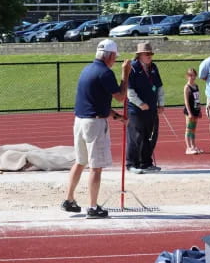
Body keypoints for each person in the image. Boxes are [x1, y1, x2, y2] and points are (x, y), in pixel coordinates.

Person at [61, 39, 131, 219]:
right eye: (115, 57)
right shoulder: (105, 73)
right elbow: (120, 97)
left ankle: (69, 199)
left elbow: (97, 102)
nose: (115, 60)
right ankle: (92, 207)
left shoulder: (87, 70)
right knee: (96, 166)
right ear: (110, 56)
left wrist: (117, 117)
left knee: (80, 161)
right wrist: (125, 74)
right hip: (94, 124)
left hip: (80, 121)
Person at [126, 41, 165, 174]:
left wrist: (161, 103)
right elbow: (129, 91)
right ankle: (132, 163)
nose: (149, 56)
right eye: (146, 54)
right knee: (136, 136)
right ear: (139, 55)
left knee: (151, 136)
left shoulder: (154, 67)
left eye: (150, 54)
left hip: (152, 109)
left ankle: (146, 162)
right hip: (136, 110)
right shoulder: (133, 68)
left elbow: (159, 87)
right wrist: (140, 104)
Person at [183, 67, 203, 154]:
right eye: (190, 75)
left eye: (194, 75)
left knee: (193, 129)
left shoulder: (196, 86)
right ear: (187, 76)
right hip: (189, 112)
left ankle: (193, 146)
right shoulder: (187, 87)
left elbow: (197, 99)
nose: (192, 77)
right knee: (189, 129)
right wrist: (190, 113)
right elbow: (186, 102)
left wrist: (199, 110)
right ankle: (188, 148)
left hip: (195, 110)